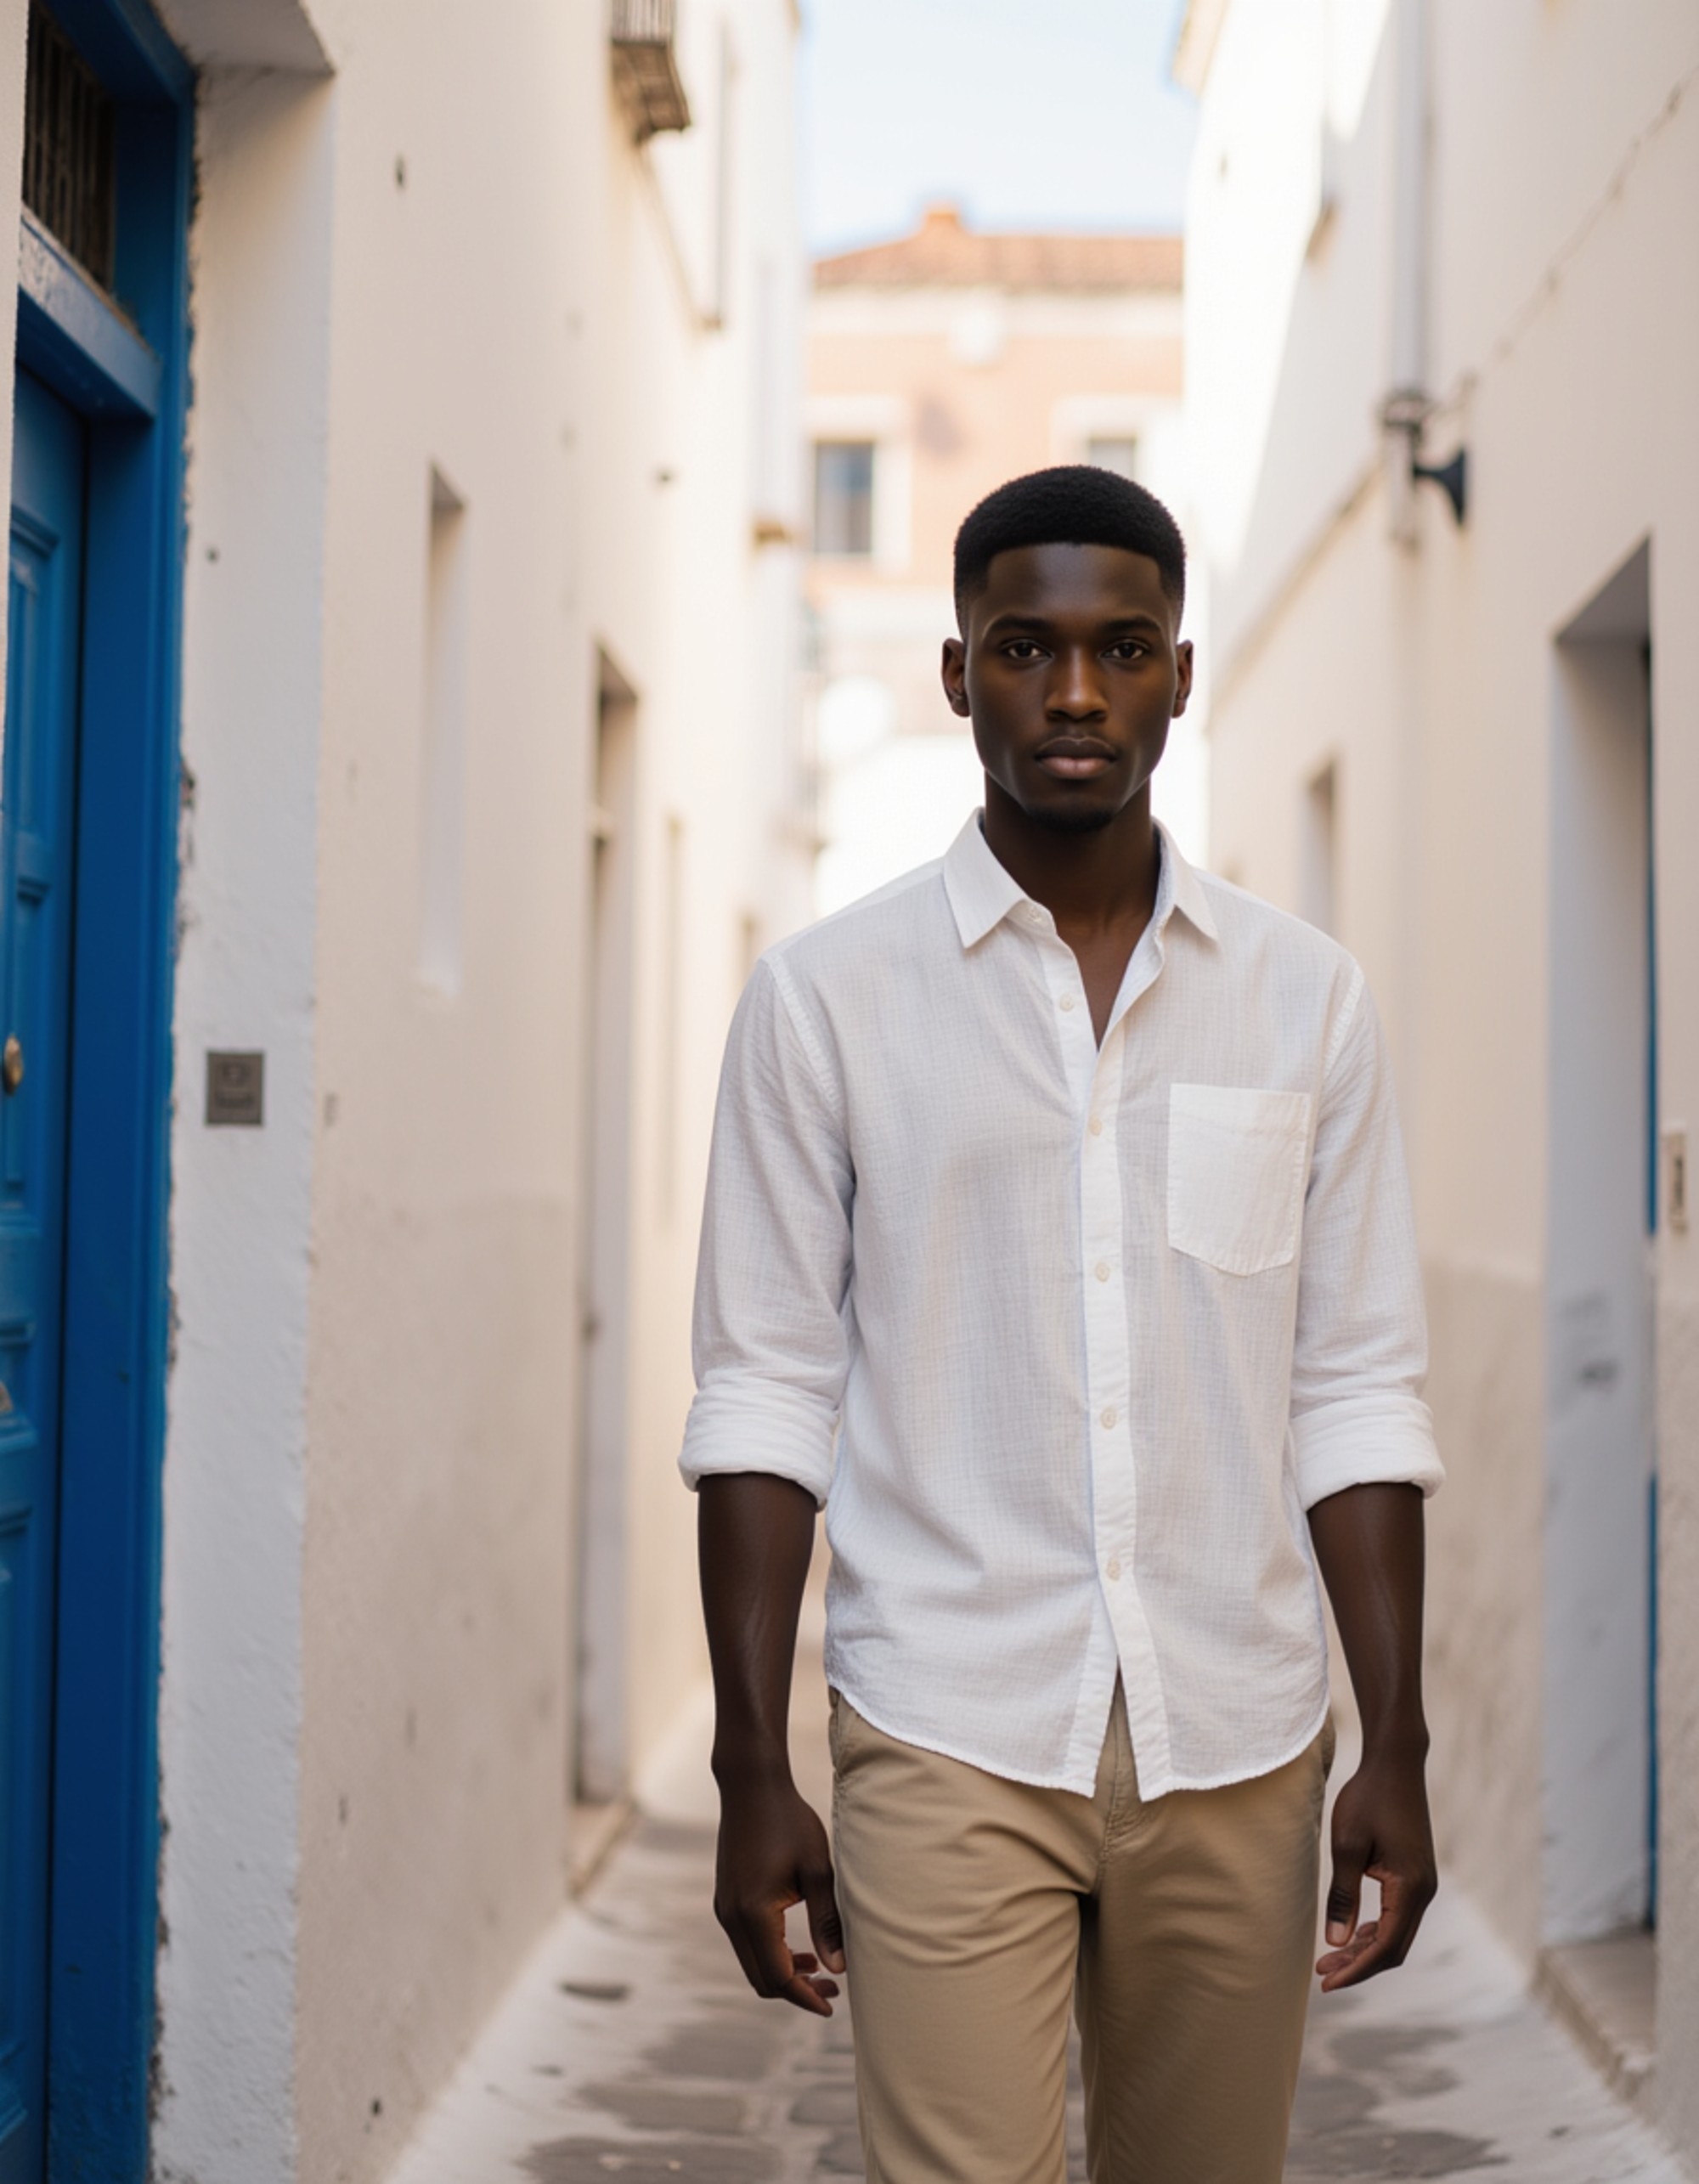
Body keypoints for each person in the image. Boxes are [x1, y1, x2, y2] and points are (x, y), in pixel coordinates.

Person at [680, 465, 1442, 2184]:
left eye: (1122, 649)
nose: (1076, 693)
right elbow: (765, 1392)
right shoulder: (825, 1000)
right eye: (1025, 646)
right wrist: (750, 1764)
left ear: (1181, 671)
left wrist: (1391, 1739)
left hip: (1239, 1732)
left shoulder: (1304, 998)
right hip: (948, 1718)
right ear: (959, 672)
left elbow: (1353, 1389)